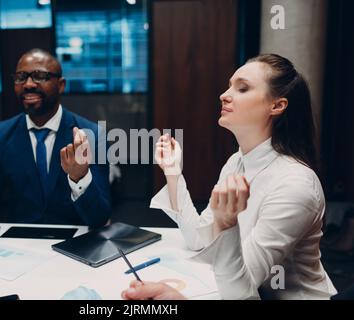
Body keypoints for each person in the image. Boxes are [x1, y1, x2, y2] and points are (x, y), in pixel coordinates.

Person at [122, 54, 337, 300]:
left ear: (277, 106)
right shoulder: (237, 162)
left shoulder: (295, 185)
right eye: (230, 85)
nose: (224, 94)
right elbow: (199, 238)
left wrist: (226, 226)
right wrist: (173, 173)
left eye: (242, 88)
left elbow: (241, 292)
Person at [0, 49, 111, 227]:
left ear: (61, 85)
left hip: (75, 243)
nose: (28, 84)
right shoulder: (1, 135)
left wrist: (79, 177)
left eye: (39, 76)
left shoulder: (92, 134)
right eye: (21, 77)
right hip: (20, 244)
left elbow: (99, 218)